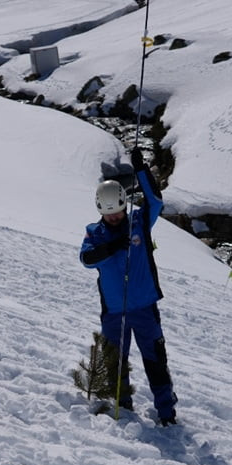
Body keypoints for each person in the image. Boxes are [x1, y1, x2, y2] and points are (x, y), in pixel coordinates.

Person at [79, 149, 177, 425]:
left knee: (155, 362)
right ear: (100, 210)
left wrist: (142, 170)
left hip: (144, 307)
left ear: (124, 204)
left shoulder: (138, 223)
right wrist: (111, 246)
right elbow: (86, 259)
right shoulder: (94, 233)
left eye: (118, 212)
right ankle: (123, 406)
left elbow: (155, 202)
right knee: (116, 363)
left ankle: (167, 413)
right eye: (108, 214)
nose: (114, 218)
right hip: (113, 311)